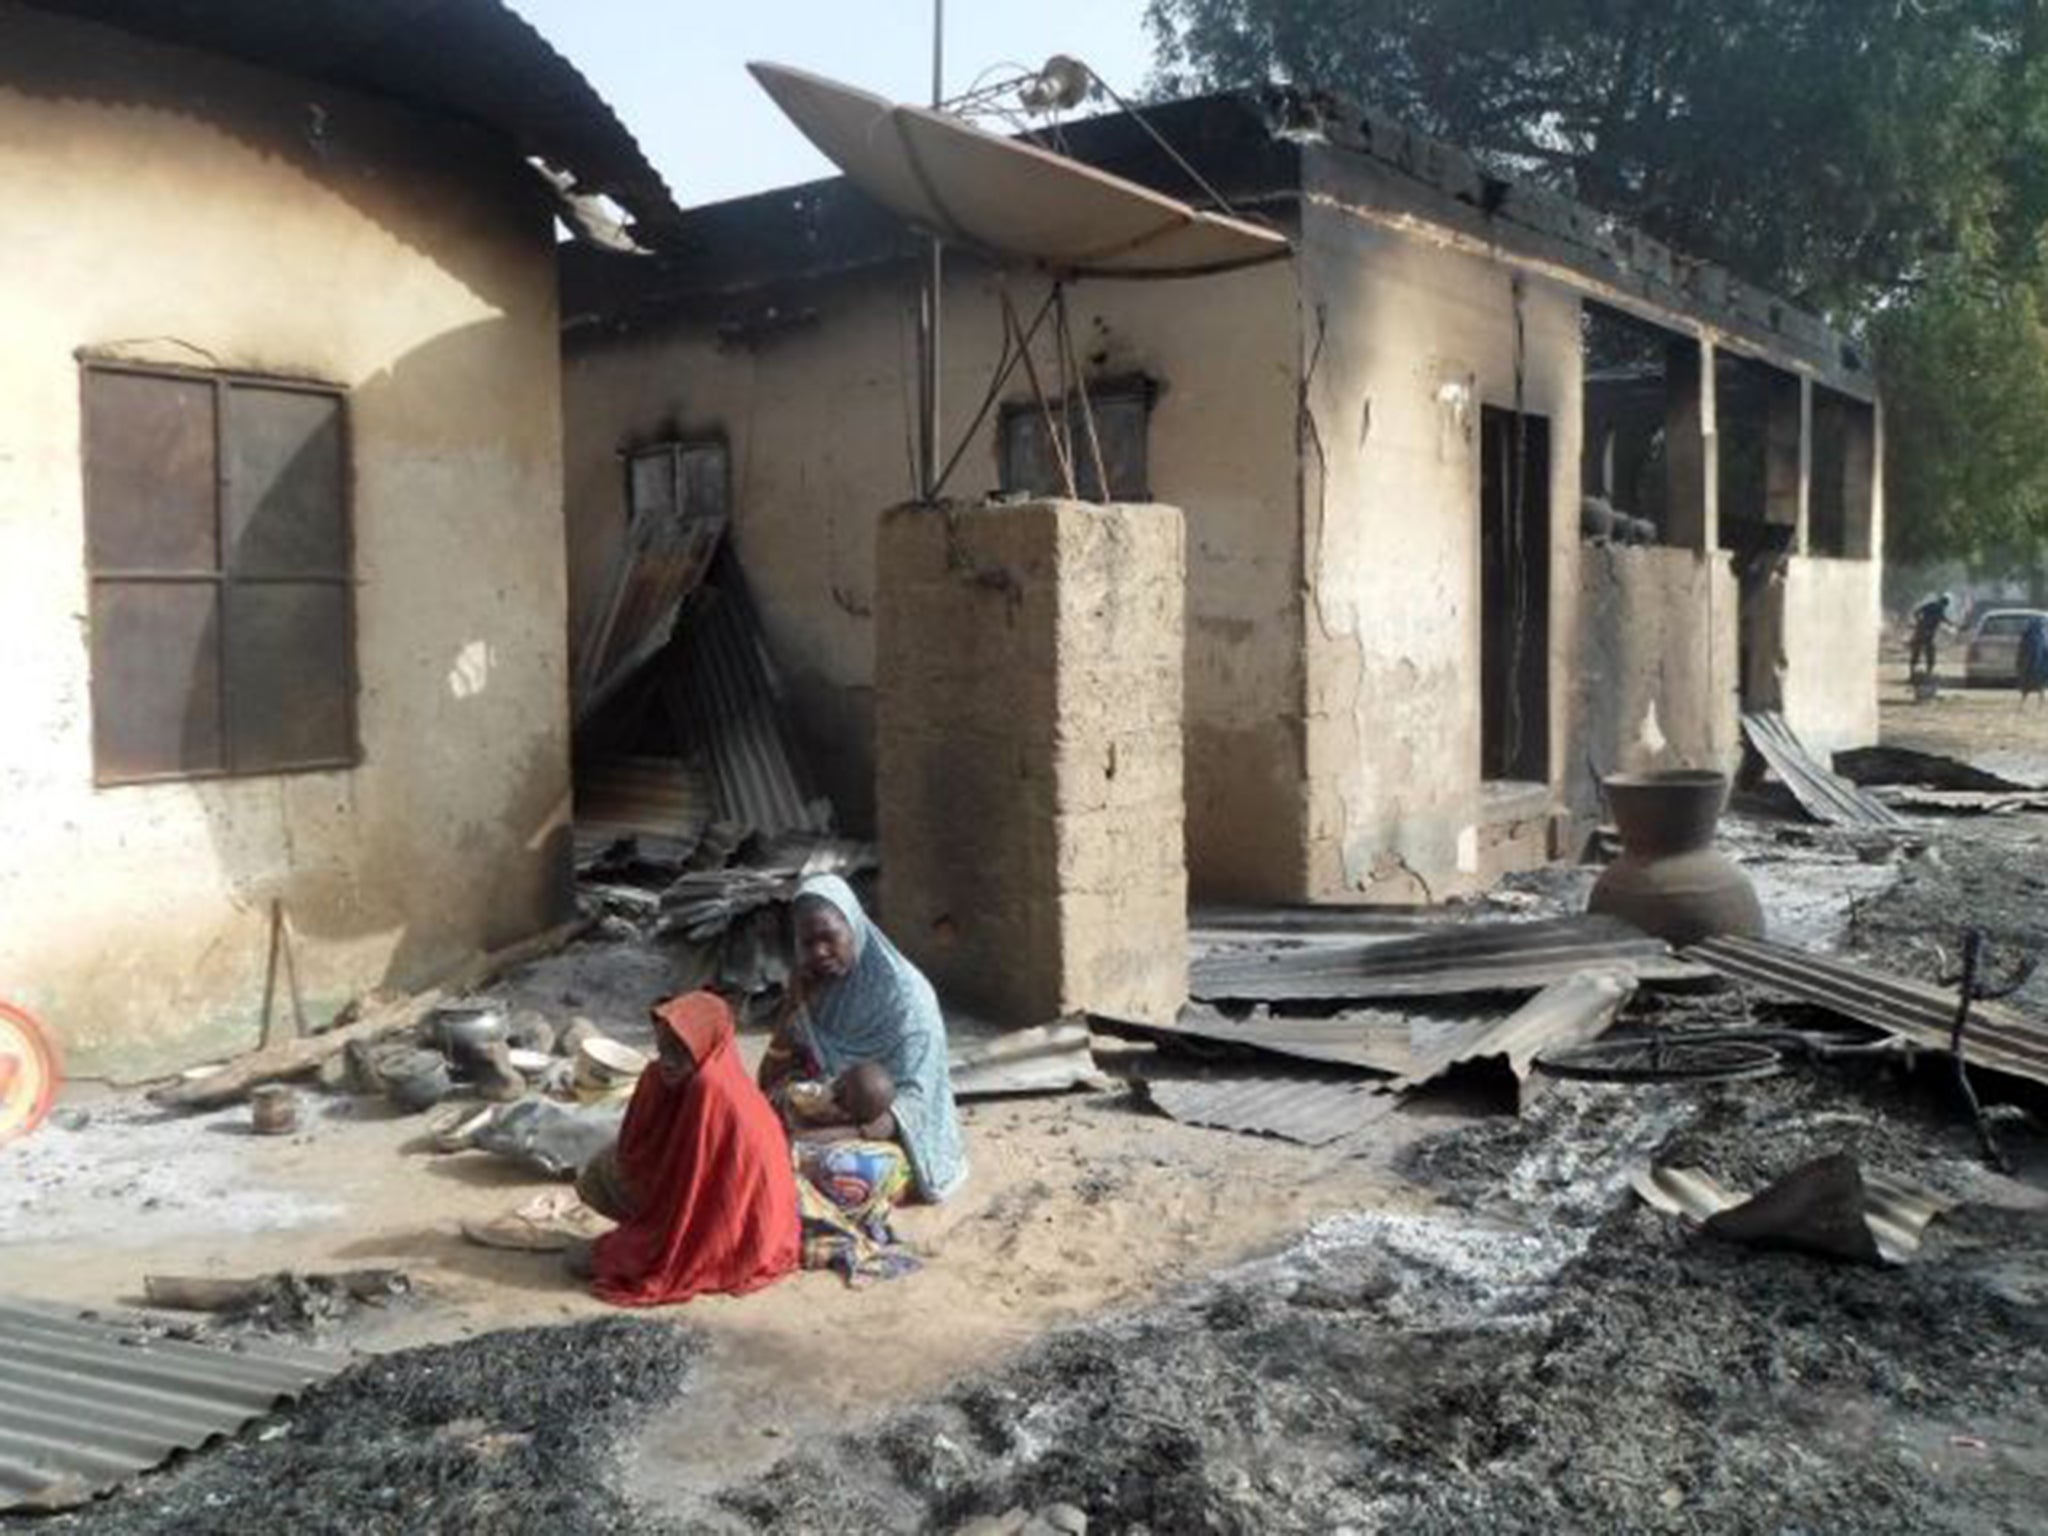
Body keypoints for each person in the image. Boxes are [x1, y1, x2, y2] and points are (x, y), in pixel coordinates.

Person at [574, 991, 800, 1307]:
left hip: (742, 1228)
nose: (667, 1060)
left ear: (708, 1047)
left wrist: (646, 1252)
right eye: (663, 1048)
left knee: (624, 1251)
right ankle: (645, 1237)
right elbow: (635, 1148)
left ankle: (649, 1244)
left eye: (681, 1051)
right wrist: (653, 1086)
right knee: (601, 1171)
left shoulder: (711, 1088)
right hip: (719, 1208)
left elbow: (696, 1193)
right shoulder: (675, 1077)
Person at [760, 875, 968, 1204]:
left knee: (840, 1174)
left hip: (890, 1138)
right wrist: (793, 1006)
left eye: (829, 938)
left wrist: (820, 1138)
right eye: (807, 943)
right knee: (753, 1118)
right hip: (822, 1111)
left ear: (854, 927)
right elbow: (768, 1080)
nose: (819, 952)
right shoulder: (816, 986)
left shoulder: (907, 998)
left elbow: (915, 1107)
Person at [1909, 592, 1956, 680]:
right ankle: (1924, 672)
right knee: (1926, 653)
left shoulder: (1935, 607)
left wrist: (1919, 622)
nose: (1943, 606)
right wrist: (1920, 622)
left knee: (1918, 653)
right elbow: (1917, 612)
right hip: (1924, 632)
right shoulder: (1936, 607)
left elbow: (1917, 612)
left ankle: (1916, 673)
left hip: (1923, 632)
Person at [2019, 614, 2048, 707]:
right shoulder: (2038, 634)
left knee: (2030, 684)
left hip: (2033, 664)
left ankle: (2027, 702)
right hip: (2036, 664)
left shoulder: (2030, 634)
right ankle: (2039, 701)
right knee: (2038, 683)